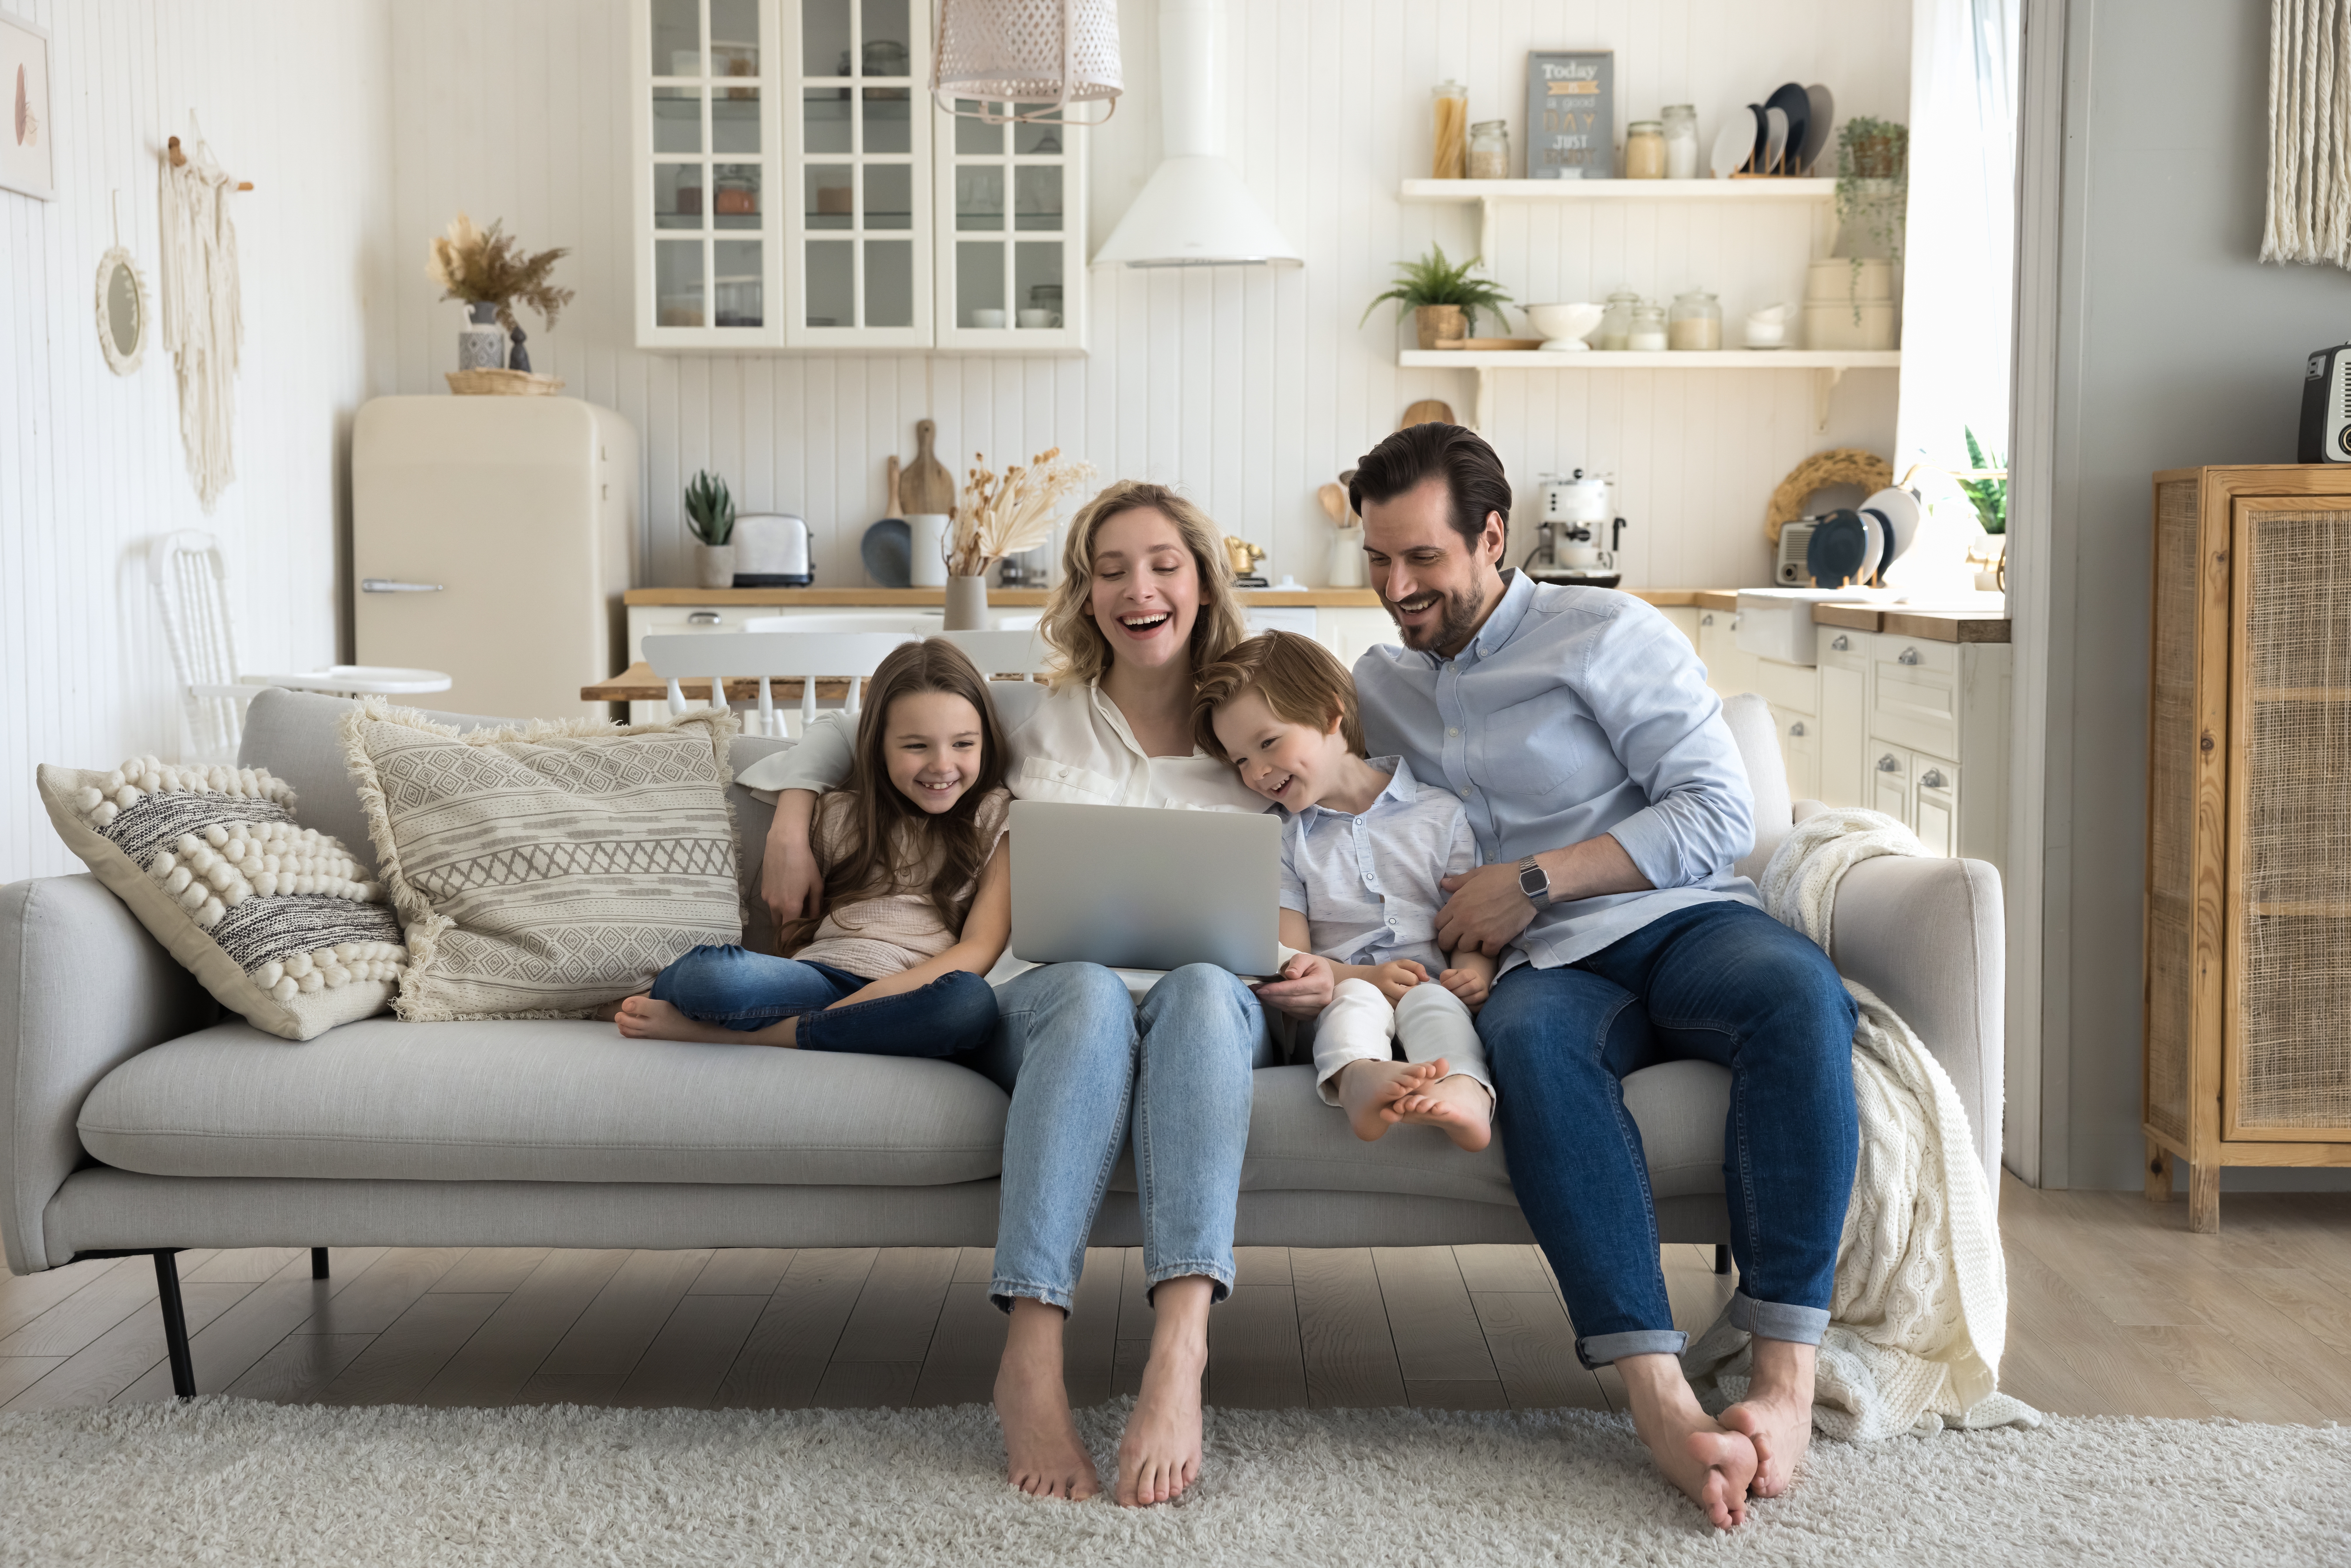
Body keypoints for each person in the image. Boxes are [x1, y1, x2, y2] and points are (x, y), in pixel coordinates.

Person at [1255, 424, 1859, 1531]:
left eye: (1421, 559)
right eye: (1377, 562)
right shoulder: (1379, 685)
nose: (1395, 588)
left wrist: (1528, 879)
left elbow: (1718, 813)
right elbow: (1267, 731)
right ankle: (1660, 1398)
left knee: (1800, 995)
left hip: (1672, 919)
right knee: (1532, 1055)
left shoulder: (1606, 631)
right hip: (1536, 971)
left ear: (1491, 537)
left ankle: (1780, 1383)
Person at [744, 481, 1267, 1509]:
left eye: (1162, 563)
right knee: (1081, 991)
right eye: (1109, 569)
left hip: (1212, 1003)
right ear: (1082, 592)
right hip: (1053, 1003)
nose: (1138, 589)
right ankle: (1030, 1355)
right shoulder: (1036, 715)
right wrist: (792, 817)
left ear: (1201, 579)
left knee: (1202, 989)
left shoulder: (1252, 719)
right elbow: (862, 724)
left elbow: (1348, 784)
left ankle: (1180, 1353)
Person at [606, 638, 1008, 1057]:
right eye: (916, 745)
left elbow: (980, 947)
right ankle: (839, 1030)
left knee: (970, 1003)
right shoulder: (840, 813)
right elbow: (792, 935)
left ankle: (731, 1034)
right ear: (878, 745)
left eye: (963, 744)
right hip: (821, 978)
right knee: (710, 978)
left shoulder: (997, 817)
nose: (942, 764)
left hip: (919, 989)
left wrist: (879, 999)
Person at [1191, 630, 1498, 1151]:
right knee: (1355, 999)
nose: (1258, 773)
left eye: (1268, 743)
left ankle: (1466, 1091)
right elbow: (1293, 958)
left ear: (1331, 714)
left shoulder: (1441, 813)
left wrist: (1474, 975)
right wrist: (1365, 975)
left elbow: (1470, 918)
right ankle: (1357, 1078)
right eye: (1239, 760)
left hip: (1431, 984)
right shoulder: (1283, 838)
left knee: (1436, 1002)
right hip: (1339, 991)